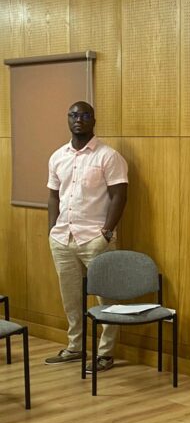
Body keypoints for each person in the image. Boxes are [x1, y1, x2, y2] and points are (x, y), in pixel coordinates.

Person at [46, 101, 128, 371]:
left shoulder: (108, 156)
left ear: (93, 120)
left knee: (106, 298)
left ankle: (105, 353)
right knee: (71, 298)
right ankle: (75, 347)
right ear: (67, 119)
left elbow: (120, 196)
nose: (78, 120)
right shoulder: (58, 156)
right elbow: (53, 196)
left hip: (95, 240)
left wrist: (106, 233)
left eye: (84, 115)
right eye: (72, 115)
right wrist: (52, 231)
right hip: (63, 239)